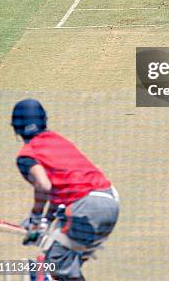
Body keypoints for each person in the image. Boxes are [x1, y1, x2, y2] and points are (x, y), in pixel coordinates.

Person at [11, 98, 119, 281]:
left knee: (53, 264)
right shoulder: (57, 141)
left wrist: (35, 217)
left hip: (86, 207)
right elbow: (60, 192)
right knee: (66, 267)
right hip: (109, 203)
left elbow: (44, 186)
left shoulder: (26, 155)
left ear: (16, 128)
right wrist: (45, 221)